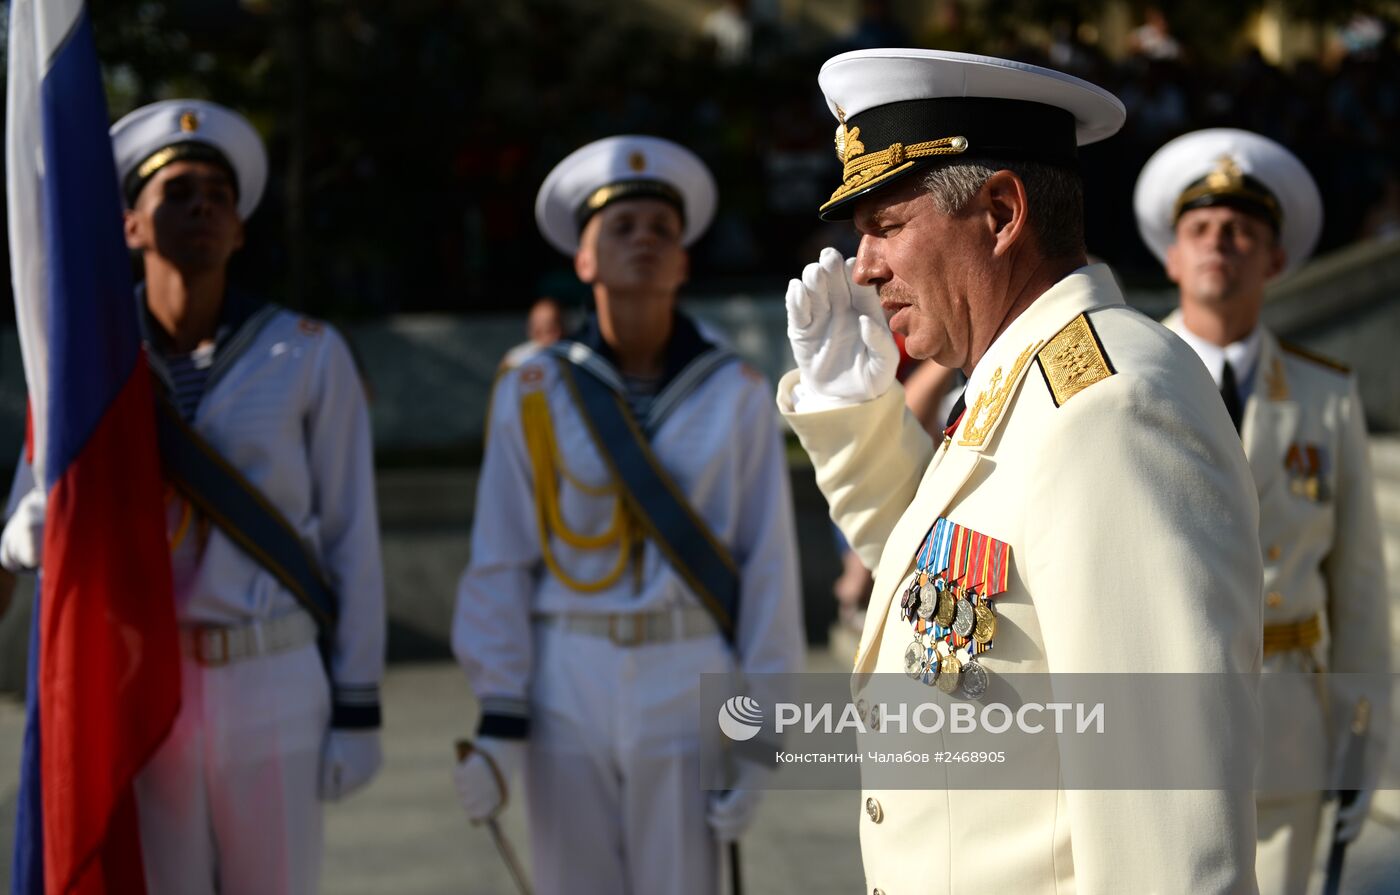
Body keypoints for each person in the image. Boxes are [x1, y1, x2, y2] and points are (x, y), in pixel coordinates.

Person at [778, 49, 1264, 892]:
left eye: (886, 225)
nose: (862, 266)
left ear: (1002, 212)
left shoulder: (1107, 409)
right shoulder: (1024, 383)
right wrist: (855, 413)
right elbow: (948, 588)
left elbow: (1165, 829)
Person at [1, 99, 385, 894]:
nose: (202, 204)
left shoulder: (306, 353)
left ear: (241, 230)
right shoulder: (85, 369)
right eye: (176, 191)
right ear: (131, 226)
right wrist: (26, 535)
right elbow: (25, 508)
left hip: (271, 673)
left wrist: (358, 701)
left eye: (219, 192)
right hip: (145, 681)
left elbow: (352, 535)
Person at [451, 135, 803, 895]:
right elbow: (501, 557)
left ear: (683, 262)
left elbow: (766, 567)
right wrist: (498, 722)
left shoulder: (736, 391)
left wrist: (759, 734)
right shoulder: (533, 389)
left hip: (690, 670)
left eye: (662, 230)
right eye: (622, 226)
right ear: (583, 259)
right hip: (565, 672)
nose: (644, 239)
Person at [1135, 128, 1391, 895]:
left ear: (1275, 261)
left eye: (1244, 232)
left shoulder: (1325, 393)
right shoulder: (1125, 382)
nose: (1222, 243)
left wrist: (1363, 733)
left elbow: (1361, 583)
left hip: (1285, 724)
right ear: (1173, 257)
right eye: (1202, 230)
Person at [499, 296, 566, 371]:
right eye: (535, 323)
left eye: (548, 323)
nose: (538, 329)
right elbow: (501, 379)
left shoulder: (572, 353)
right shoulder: (514, 358)